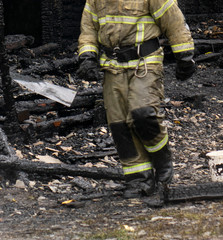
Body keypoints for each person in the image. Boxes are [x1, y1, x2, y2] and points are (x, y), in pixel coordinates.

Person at [77, 0, 196, 198]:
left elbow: (173, 21)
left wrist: (184, 55)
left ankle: (162, 161)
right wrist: (88, 56)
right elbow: (89, 28)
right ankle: (139, 178)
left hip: (145, 63)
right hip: (112, 66)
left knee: (143, 113)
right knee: (119, 124)